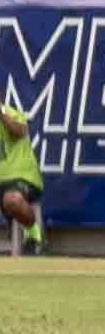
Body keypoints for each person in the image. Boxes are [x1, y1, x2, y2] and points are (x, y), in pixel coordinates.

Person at [1, 101, 42, 256]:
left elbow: (19, 131)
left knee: (11, 200)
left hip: (22, 178)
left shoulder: (12, 114)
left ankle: (33, 236)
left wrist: (1, 115)